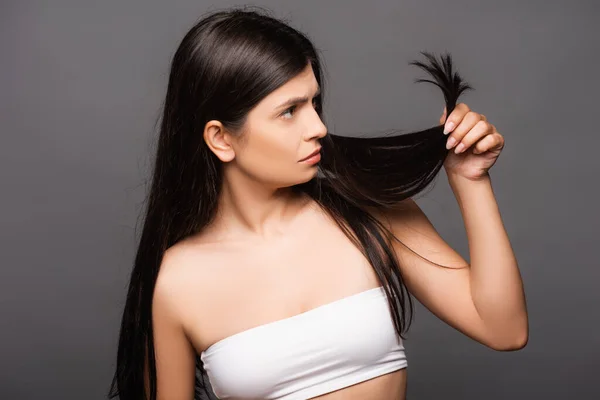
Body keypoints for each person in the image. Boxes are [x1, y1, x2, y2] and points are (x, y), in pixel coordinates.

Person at [108, 6, 528, 400]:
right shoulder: (177, 282)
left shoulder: (366, 212)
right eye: (289, 111)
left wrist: (470, 180)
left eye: (314, 102)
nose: (318, 127)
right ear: (221, 139)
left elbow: (504, 329)